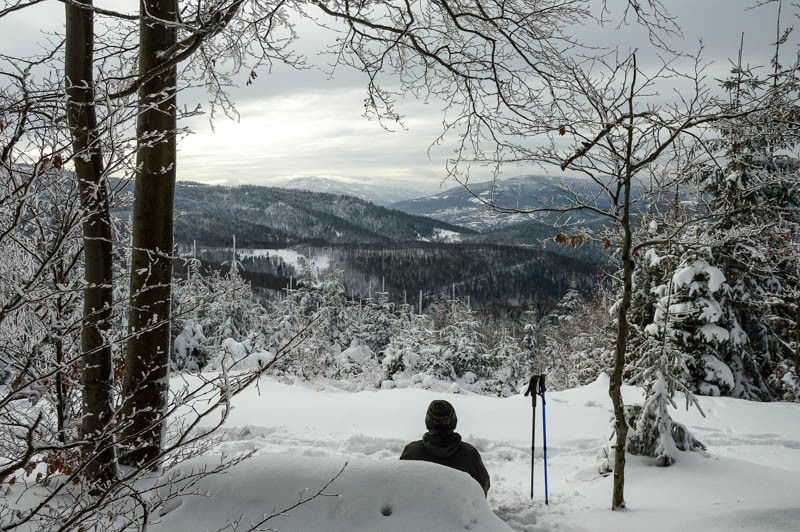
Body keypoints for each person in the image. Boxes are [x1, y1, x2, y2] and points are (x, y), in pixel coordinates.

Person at [400, 399, 491, 496]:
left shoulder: (411, 452)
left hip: (416, 510)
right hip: (460, 510)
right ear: (454, 421)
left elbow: (399, 486)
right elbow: (483, 486)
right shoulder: (469, 454)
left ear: (428, 421)